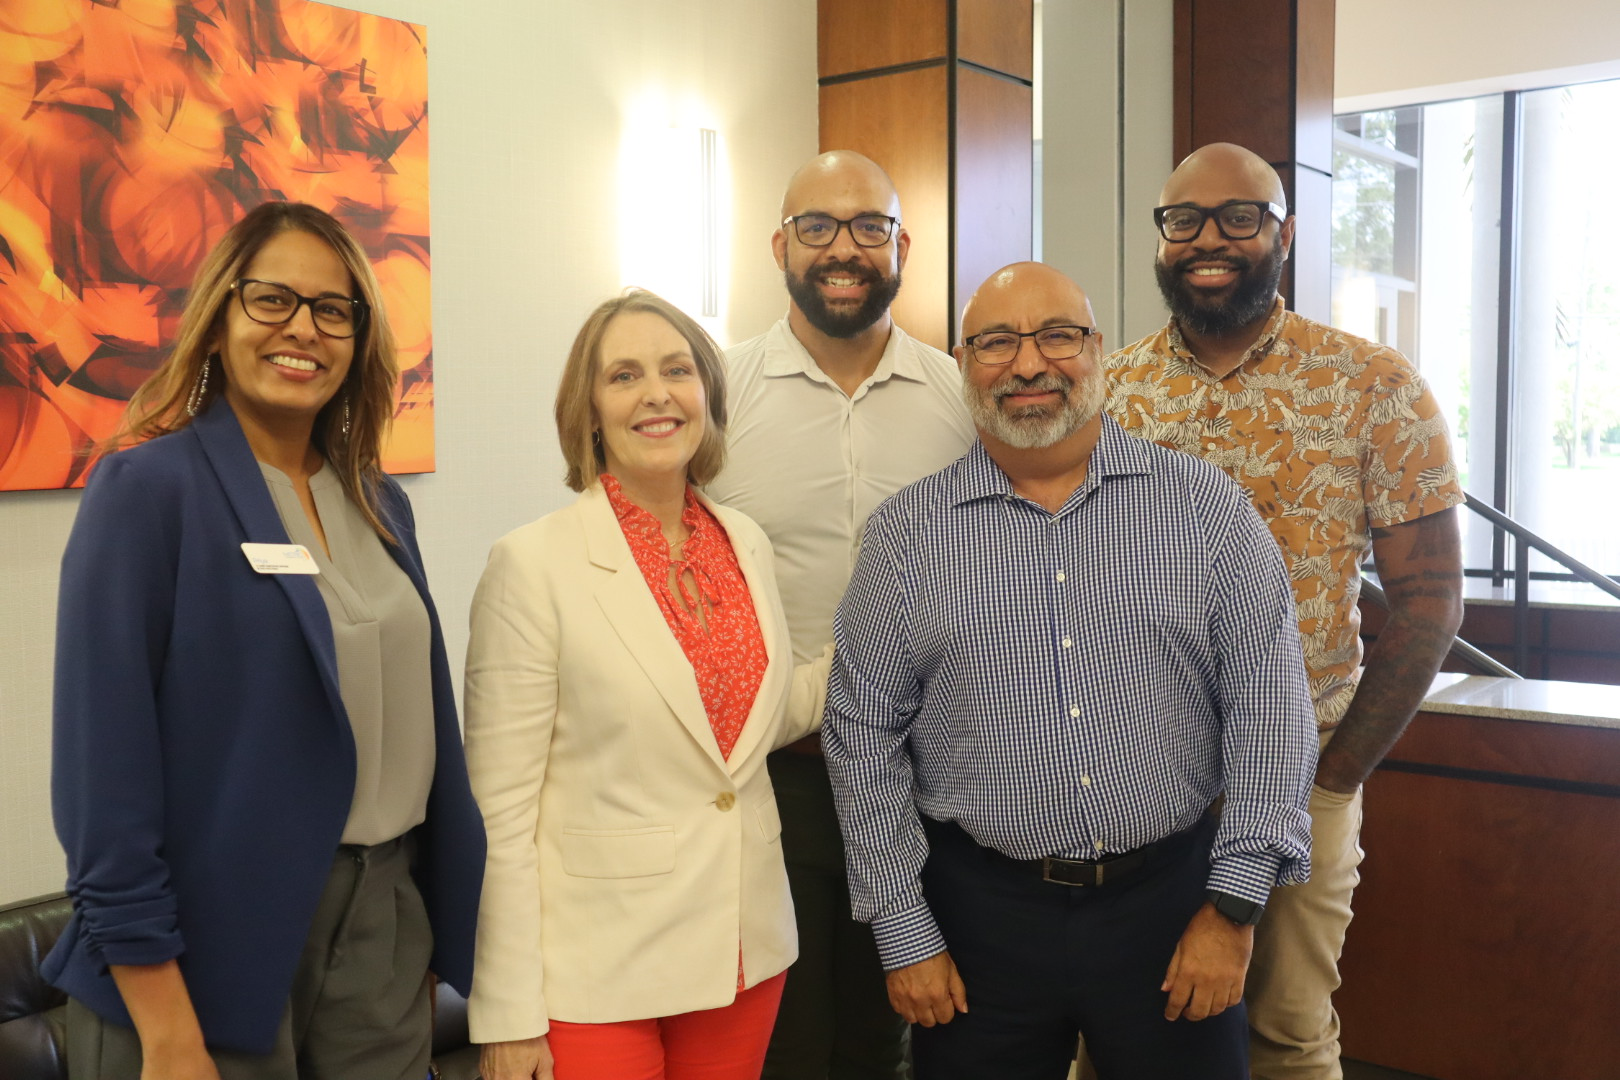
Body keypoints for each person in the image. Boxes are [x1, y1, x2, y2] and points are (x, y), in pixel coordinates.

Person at [822, 261, 1319, 1080]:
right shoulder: (905, 538)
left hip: (1173, 910)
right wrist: (904, 930)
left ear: (1097, 351)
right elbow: (861, 734)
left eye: (1057, 336)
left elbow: (1271, 710)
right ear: (963, 363)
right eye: (996, 343)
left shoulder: (1206, 510)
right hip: (977, 923)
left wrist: (1232, 908)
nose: (1028, 365)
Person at [46, 201, 486, 1080]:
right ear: (218, 319)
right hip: (202, 954)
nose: (304, 329)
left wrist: (431, 921)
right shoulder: (147, 492)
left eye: (332, 310)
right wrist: (166, 1027)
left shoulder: (378, 499)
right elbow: (104, 786)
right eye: (272, 300)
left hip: (384, 929)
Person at [1104, 142, 1466, 1080]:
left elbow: (1430, 599)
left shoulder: (1373, 384)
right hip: (1136, 780)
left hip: (1307, 767)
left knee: (1288, 1037)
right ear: (1161, 238)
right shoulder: (1109, 391)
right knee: (1116, 1032)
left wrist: (1335, 782)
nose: (1209, 239)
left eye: (1240, 218)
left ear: (1285, 234)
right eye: (1184, 220)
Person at [464, 290, 833, 1080]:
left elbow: (752, 723)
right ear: (590, 410)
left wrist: (880, 639)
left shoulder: (744, 542)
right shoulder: (532, 564)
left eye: (677, 370)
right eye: (624, 376)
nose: (656, 394)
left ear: (708, 392)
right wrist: (507, 1011)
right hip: (596, 970)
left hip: (744, 948)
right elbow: (501, 811)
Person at [705, 149, 974, 1080]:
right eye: (817, 226)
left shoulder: (961, 398)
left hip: (932, 779)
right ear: (780, 245)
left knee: (901, 1039)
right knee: (782, 1042)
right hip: (777, 778)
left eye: (869, 227)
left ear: (903, 246)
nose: (843, 249)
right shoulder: (716, 394)